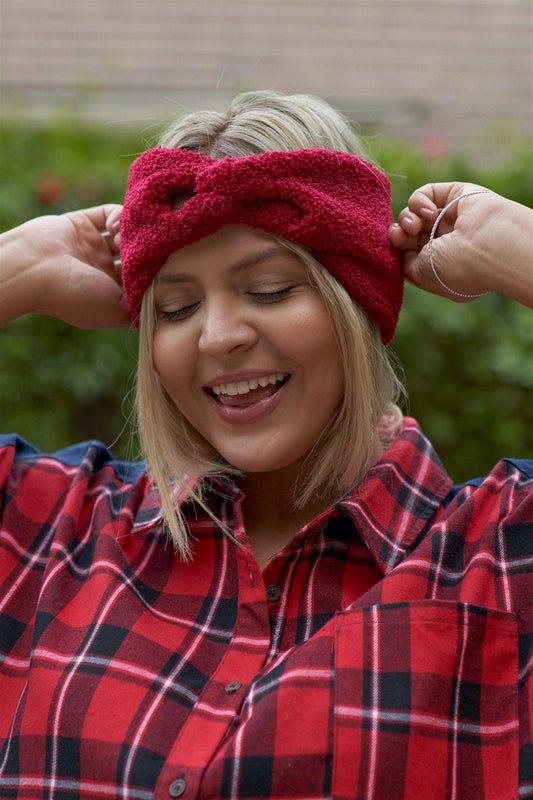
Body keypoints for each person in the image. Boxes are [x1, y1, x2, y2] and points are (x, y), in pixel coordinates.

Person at [0, 91, 531, 800]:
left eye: (272, 289)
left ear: (356, 299)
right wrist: (19, 265)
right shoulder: (45, 528)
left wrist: (520, 250)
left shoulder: (500, 560)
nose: (218, 336)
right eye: (177, 306)